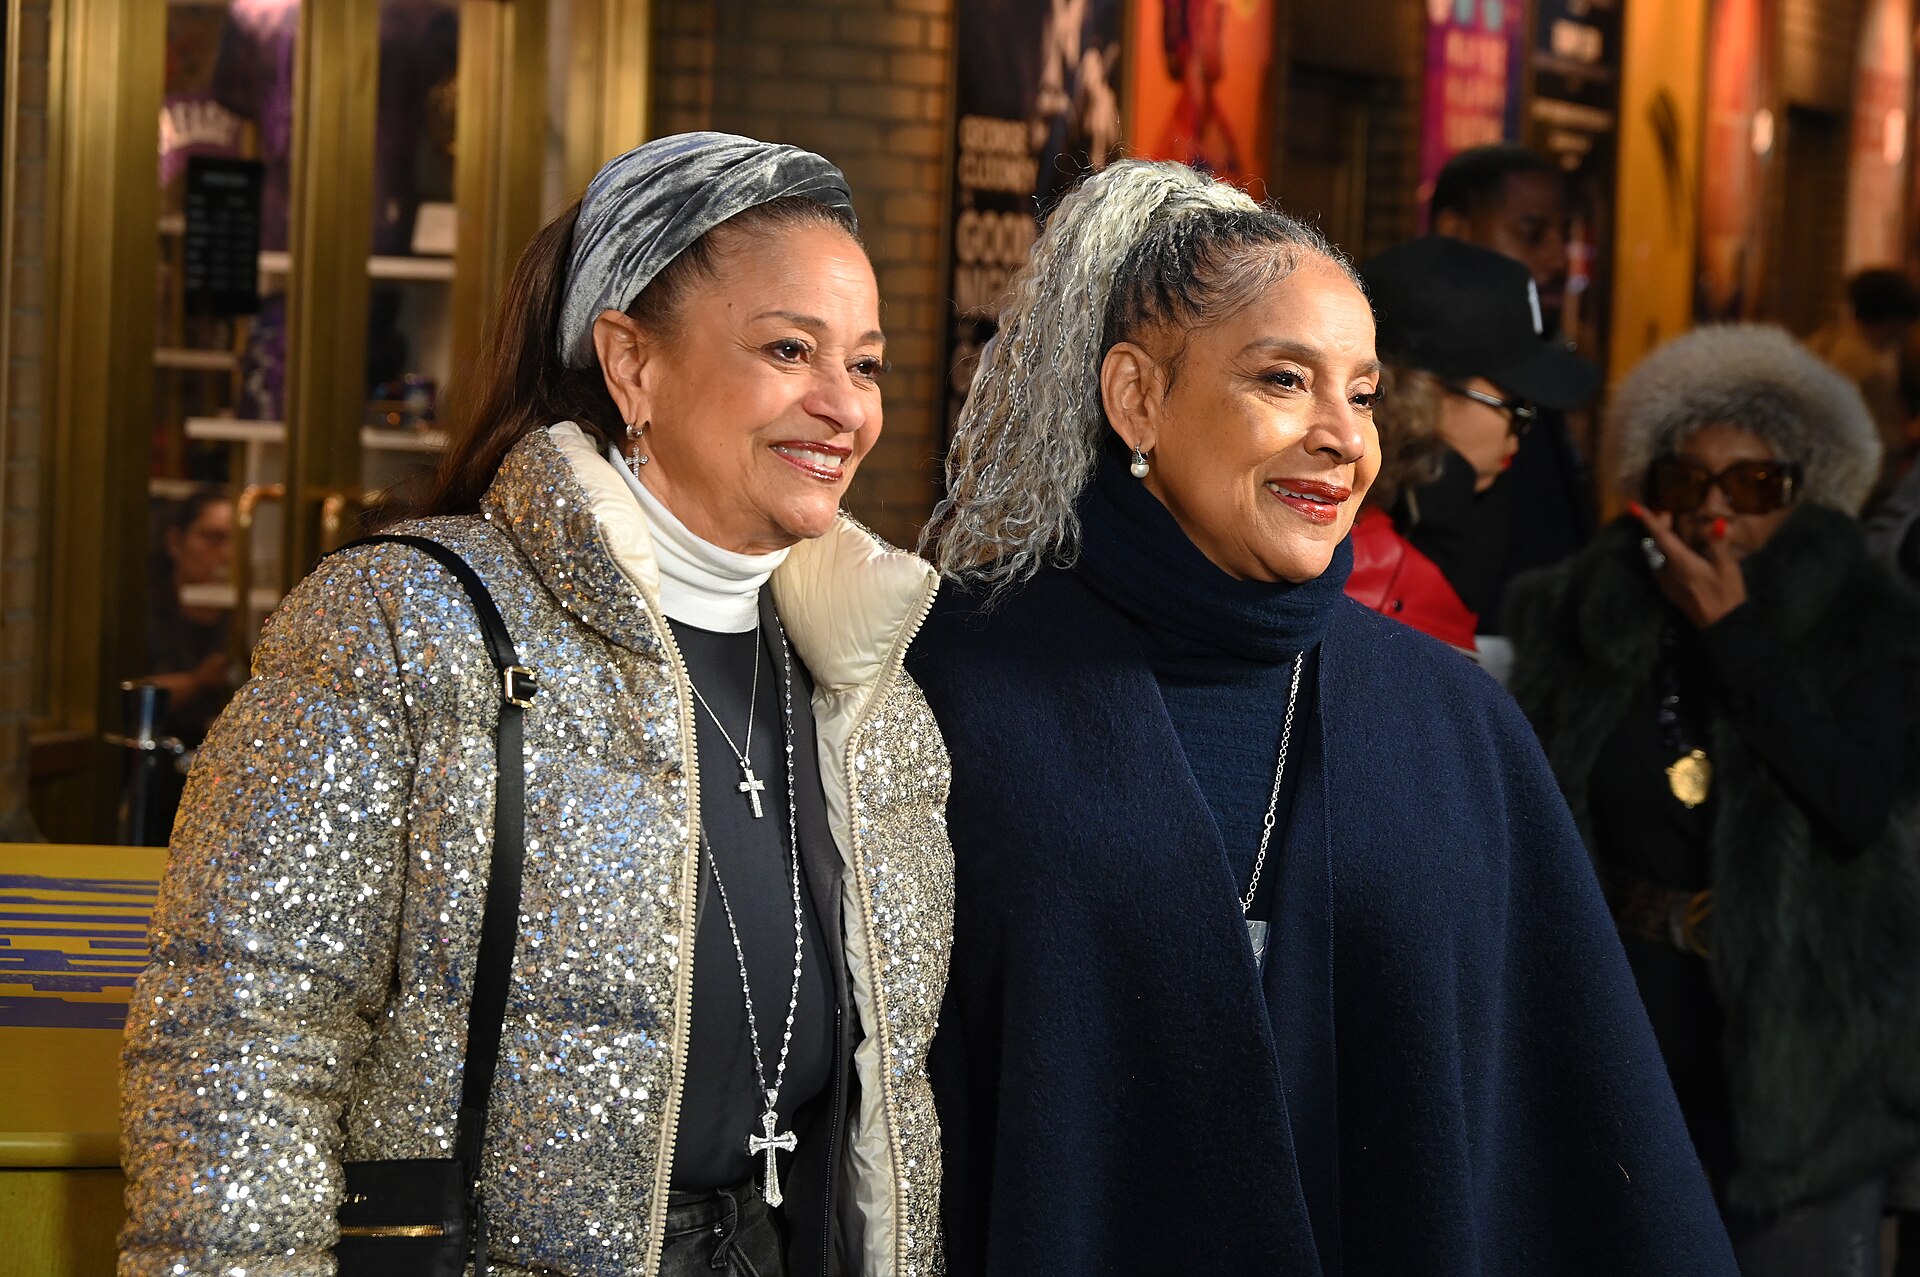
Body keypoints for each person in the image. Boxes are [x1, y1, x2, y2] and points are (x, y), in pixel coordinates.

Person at [119, 133, 954, 1277]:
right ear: (632, 364)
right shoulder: (406, 624)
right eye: (788, 349)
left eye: (866, 365)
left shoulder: (871, 696)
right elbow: (237, 1046)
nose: (841, 406)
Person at [911, 158, 1736, 1275]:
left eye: (1360, 389)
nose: (1343, 436)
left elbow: (1569, 1130)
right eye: (1283, 380)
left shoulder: (1455, 726)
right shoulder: (954, 683)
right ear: (1136, 397)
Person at [1506, 323, 1920, 1277]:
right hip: (1631, 1038)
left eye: (1755, 486)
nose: (1717, 514)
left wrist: (1735, 637)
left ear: (1802, 489)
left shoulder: (1862, 624)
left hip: (1802, 1068)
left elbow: (1853, 804)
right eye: (1690, 482)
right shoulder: (1586, 612)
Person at [1345, 236, 1598, 657]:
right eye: (1516, 406)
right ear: (1420, 392)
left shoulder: (1476, 509)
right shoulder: (1326, 523)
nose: (1522, 431)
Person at [1430, 142, 1601, 615]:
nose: (1558, 258)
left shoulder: (1543, 357)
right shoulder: (1424, 355)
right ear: (1454, 231)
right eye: (1531, 234)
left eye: (1564, 235)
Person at [1807, 267, 1919, 490]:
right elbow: (1886, 445)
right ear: (1895, 321)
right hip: (1846, 487)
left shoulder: (1824, 340)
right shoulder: (1870, 369)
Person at [142, 489, 237, 747]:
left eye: (236, 540)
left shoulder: (245, 618)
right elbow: (132, 694)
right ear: (175, 541)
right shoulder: (146, 614)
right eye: (212, 538)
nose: (226, 554)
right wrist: (197, 681)